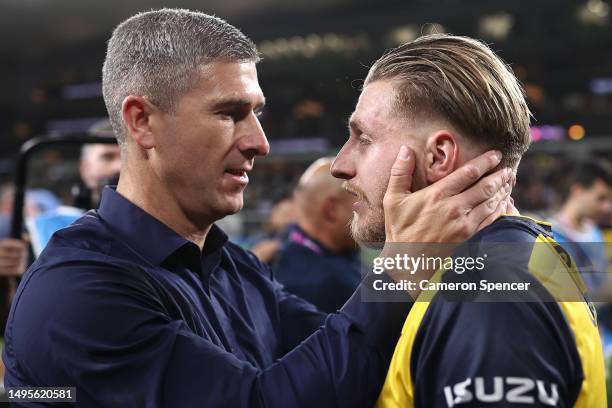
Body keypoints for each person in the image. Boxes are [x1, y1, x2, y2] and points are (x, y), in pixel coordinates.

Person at [3, 10, 513, 407]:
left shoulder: (231, 266)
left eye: (258, 114)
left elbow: (345, 357)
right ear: (142, 123)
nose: (260, 142)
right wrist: (403, 266)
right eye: (230, 114)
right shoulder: (78, 293)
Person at [330, 34, 606, 407]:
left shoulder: (489, 294)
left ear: (439, 156)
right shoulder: (494, 264)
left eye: (362, 138)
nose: (339, 165)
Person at [274, 157, 360, 312]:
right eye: (362, 198)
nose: (370, 208)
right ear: (332, 210)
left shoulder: (279, 255)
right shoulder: (333, 284)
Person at [551, 161, 612, 296]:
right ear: (577, 191)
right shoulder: (548, 235)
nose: (607, 207)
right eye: (601, 198)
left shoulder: (595, 232)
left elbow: (600, 280)